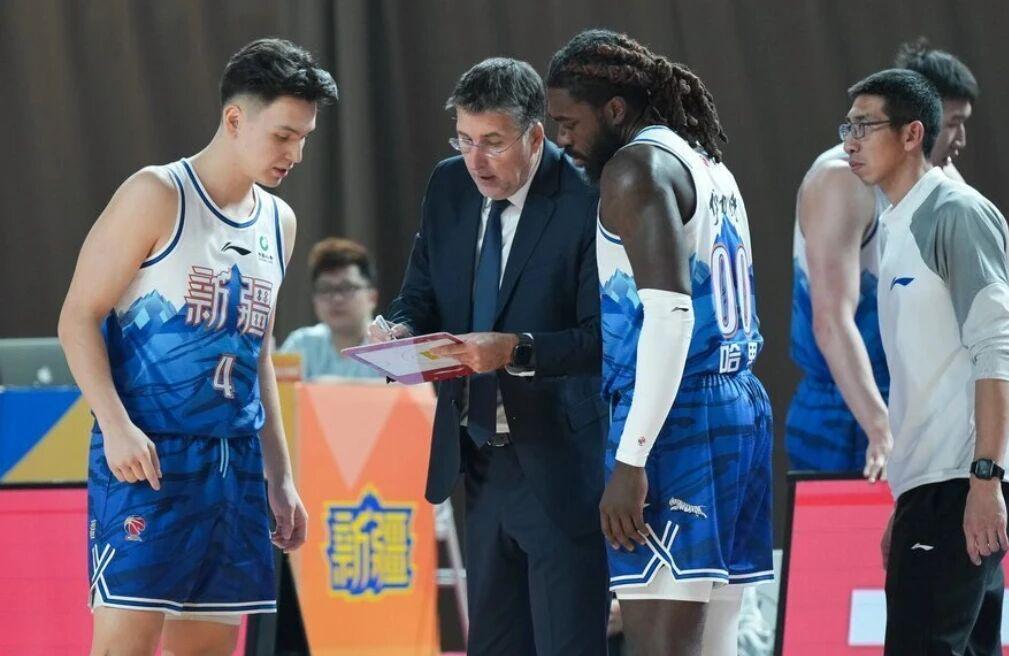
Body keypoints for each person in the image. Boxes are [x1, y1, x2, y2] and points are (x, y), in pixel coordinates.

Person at [57, 38, 337, 655]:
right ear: (235, 119)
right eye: (283, 136)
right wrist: (115, 425)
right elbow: (78, 317)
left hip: (235, 464)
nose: (295, 153)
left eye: (304, 138)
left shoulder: (279, 222)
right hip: (150, 456)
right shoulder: (156, 194)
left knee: (209, 649)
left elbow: (258, 353)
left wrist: (280, 475)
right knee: (124, 647)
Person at [369, 57, 609, 655]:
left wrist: (515, 350)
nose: (476, 160)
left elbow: (604, 338)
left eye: (493, 143)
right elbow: (421, 292)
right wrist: (399, 328)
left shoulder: (585, 197)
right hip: (476, 456)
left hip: (560, 461)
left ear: (535, 136)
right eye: (464, 139)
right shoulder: (449, 185)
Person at [546, 29, 773, 656]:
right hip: (738, 404)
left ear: (615, 109)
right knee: (718, 639)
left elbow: (672, 318)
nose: (561, 139)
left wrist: (631, 459)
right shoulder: (707, 162)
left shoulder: (634, 169)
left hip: (678, 416)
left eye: (569, 122)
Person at [843, 68, 1009, 654]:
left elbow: (997, 349)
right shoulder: (895, 226)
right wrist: (908, 497)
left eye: (865, 127)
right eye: (847, 127)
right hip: (933, 492)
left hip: (960, 489)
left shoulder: (956, 213)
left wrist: (984, 479)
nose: (850, 142)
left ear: (912, 134)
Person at [787, 38, 979, 477]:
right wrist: (879, 427)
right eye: (952, 123)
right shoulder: (843, 182)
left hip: (919, 402)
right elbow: (831, 321)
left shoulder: (946, 182)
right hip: (848, 409)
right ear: (918, 124)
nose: (960, 139)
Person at [280, 237, 383, 379]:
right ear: (314, 300)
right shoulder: (302, 344)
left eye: (347, 288)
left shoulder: (390, 348)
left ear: (372, 298)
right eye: (325, 289)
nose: (336, 298)